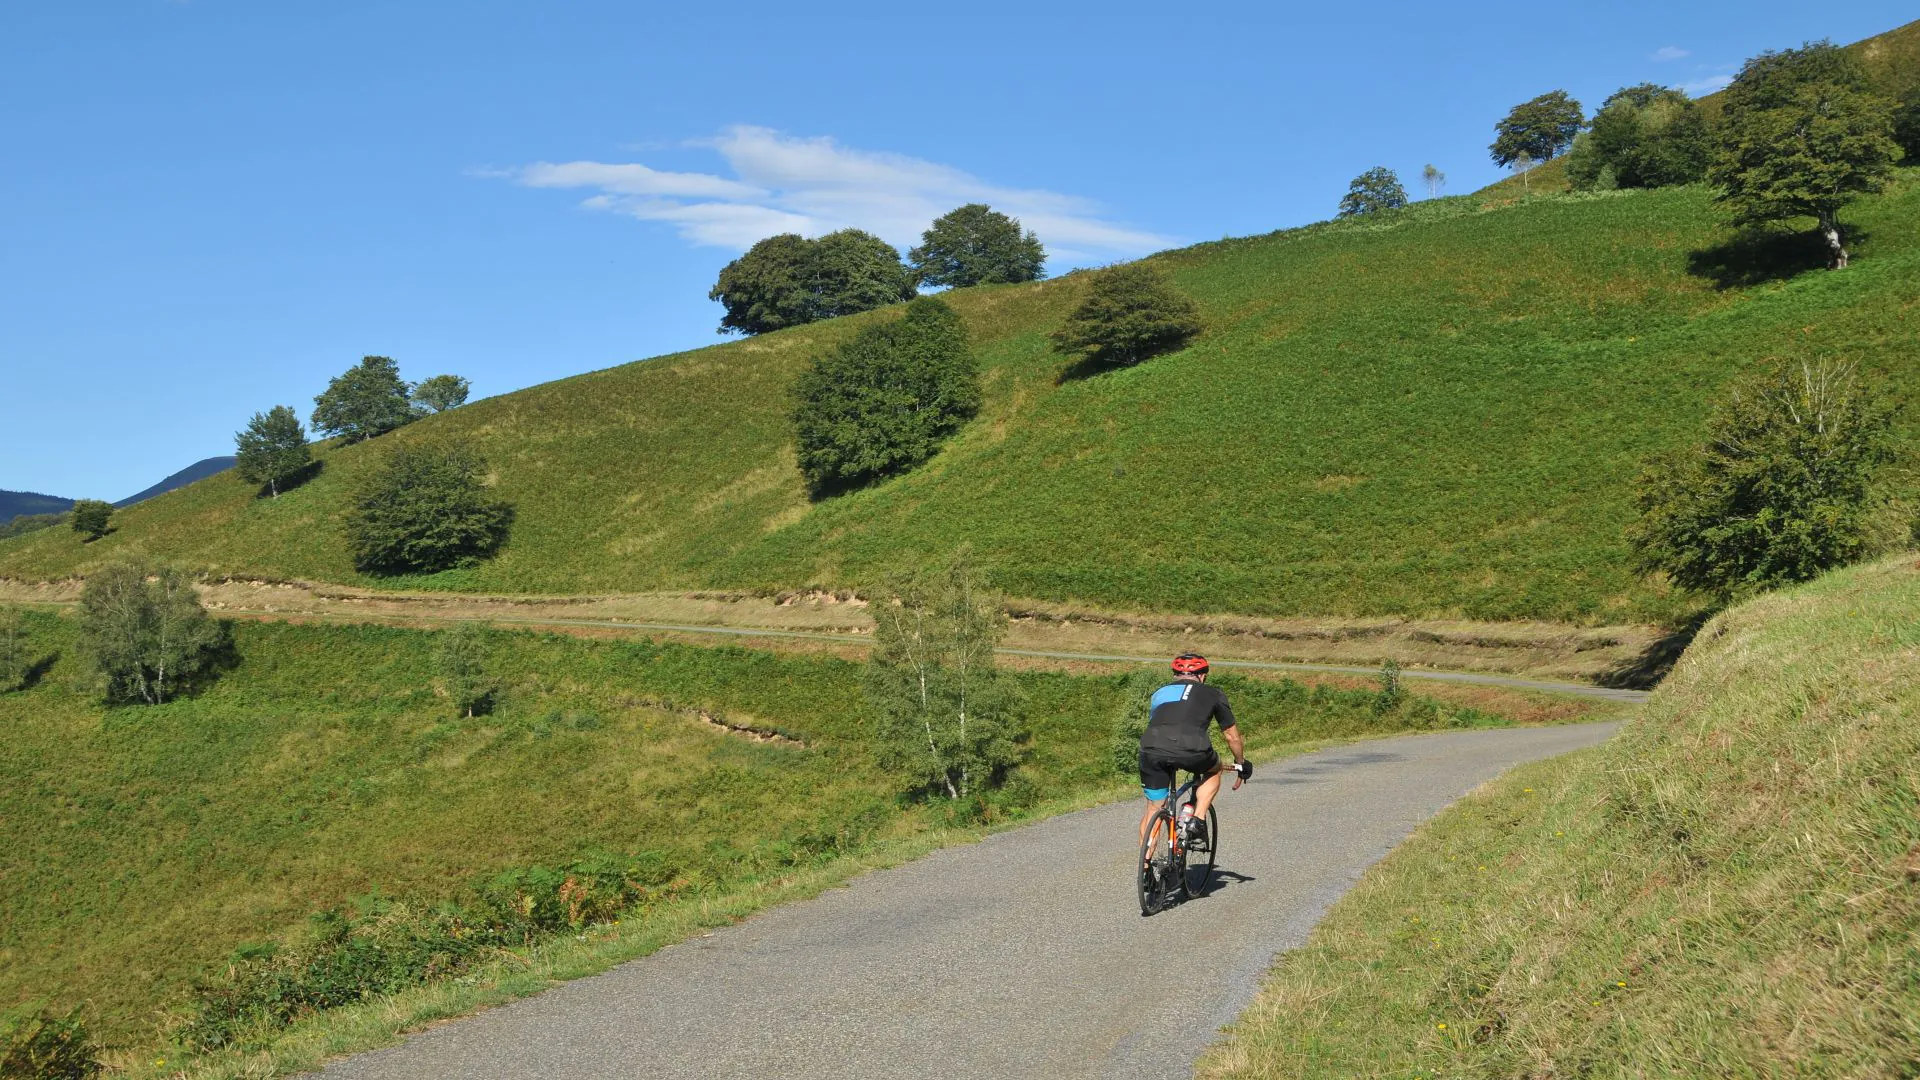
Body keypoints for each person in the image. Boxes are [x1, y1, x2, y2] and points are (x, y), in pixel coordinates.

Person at [1138, 653, 1249, 852]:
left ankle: (1146, 871)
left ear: (1175, 675)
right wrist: (1240, 762)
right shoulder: (1214, 693)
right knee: (1214, 769)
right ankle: (1197, 820)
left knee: (1154, 809)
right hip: (1192, 748)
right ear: (1203, 676)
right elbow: (1232, 737)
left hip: (1151, 747)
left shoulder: (1159, 692)